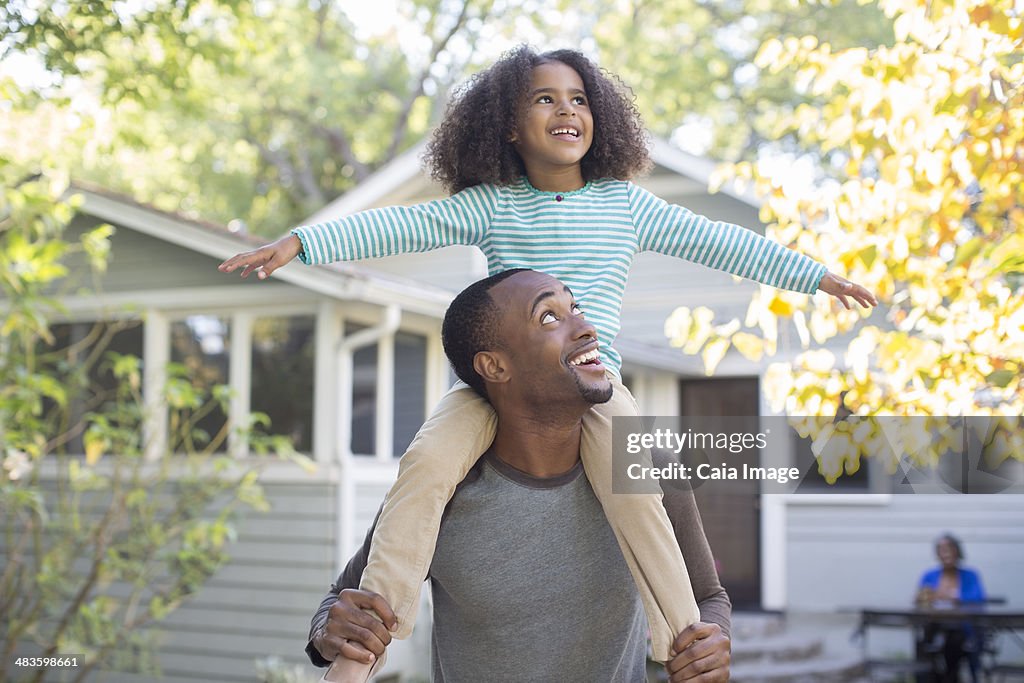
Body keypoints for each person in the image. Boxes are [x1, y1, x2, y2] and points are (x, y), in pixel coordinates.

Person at [219, 45, 877, 682]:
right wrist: (301, 242)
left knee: (639, 496)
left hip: (599, 387)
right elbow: (399, 228)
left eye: (579, 99)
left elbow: (722, 243)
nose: (567, 110)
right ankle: (364, 652)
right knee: (426, 463)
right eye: (544, 98)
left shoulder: (625, 205)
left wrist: (815, 276)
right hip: (484, 397)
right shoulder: (493, 202)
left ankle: (677, 642)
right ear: (509, 122)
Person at [307, 268, 732, 682]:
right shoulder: (440, 491)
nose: (586, 328)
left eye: (576, 307)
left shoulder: (648, 466)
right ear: (494, 367)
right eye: (549, 316)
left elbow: (709, 597)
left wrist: (714, 643)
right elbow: (338, 601)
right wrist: (331, 634)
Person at [915, 533, 987, 683]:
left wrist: (956, 598)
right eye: (942, 549)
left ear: (958, 552)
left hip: (962, 627)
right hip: (934, 624)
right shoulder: (929, 575)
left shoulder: (970, 575)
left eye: (950, 548)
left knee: (954, 642)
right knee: (923, 644)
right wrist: (924, 598)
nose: (946, 553)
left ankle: (951, 677)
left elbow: (978, 598)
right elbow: (921, 598)